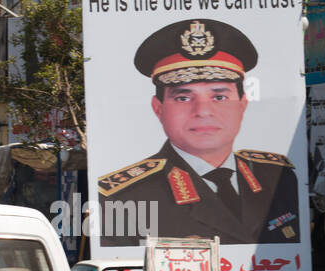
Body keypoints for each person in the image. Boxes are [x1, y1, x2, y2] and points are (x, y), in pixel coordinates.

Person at [97, 18, 300, 246]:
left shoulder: (278, 178)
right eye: (183, 98)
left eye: (219, 97)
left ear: (242, 104)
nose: (203, 111)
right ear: (159, 108)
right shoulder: (124, 198)